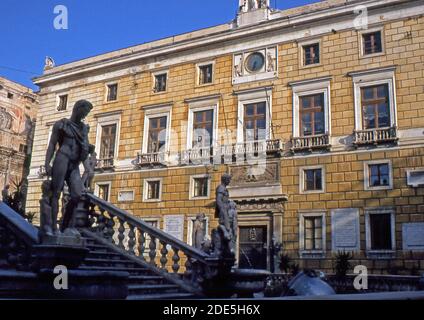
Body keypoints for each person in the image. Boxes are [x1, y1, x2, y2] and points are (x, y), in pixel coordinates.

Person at [44, 100, 94, 233]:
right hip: (62, 158)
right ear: (77, 109)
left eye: (87, 113)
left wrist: (87, 167)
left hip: (74, 163)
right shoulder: (61, 124)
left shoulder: (83, 129)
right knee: (56, 193)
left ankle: (66, 225)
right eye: (84, 112)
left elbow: (84, 150)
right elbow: (52, 145)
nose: (85, 115)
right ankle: (54, 227)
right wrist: (47, 163)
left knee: (77, 194)